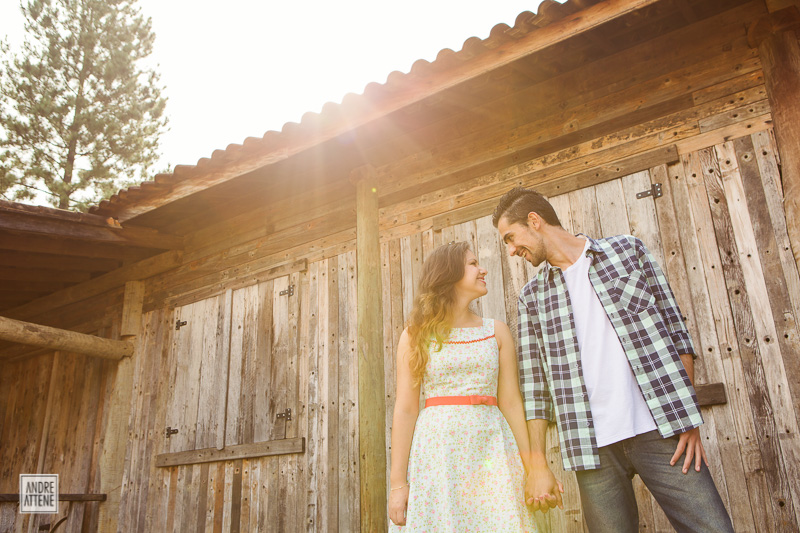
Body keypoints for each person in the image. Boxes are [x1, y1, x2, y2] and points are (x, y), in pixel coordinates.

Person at [492, 187, 735, 533]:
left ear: (535, 221)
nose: (513, 250)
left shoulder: (627, 251)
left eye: (511, 238)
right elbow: (536, 391)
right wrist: (538, 465)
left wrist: (687, 418)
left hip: (659, 429)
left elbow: (676, 331)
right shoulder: (532, 298)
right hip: (591, 448)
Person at [387, 241, 537, 532]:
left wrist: (533, 469)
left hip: (492, 450)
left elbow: (511, 402)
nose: (483, 270)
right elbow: (405, 409)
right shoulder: (415, 335)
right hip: (438, 455)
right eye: (472, 264)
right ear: (448, 274)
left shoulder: (496, 331)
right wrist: (397, 485)